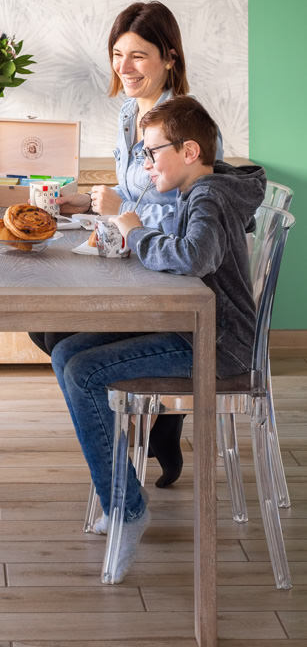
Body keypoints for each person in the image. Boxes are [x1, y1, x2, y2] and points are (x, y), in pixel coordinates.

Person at [49, 96, 265, 582]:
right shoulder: (206, 189)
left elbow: (194, 258)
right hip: (199, 330)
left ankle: (126, 508)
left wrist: (136, 230)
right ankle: (117, 494)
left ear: (189, 151)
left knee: (83, 371)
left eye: (152, 153)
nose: (144, 165)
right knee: (66, 351)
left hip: (216, 345)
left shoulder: (208, 194)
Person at [30, 1, 222, 486]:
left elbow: (189, 217)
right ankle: (147, 427)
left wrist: (117, 210)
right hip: (134, 255)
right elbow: (135, 193)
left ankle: (148, 424)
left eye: (138, 55)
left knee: (61, 337)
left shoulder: (184, 122)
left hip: (167, 275)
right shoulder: (126, 114)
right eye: (118, 54)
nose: (124, 67)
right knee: (46, 328)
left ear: (169, 58)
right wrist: (89, 205)